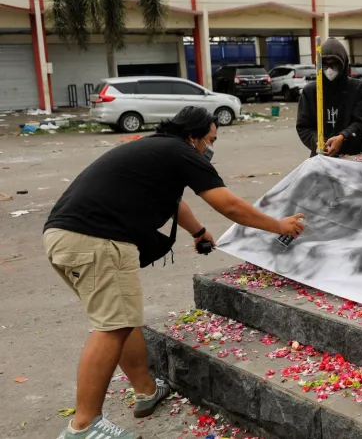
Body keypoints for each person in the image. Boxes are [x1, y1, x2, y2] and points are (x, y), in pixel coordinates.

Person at [44, 107, 306, 439]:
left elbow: (174, 202)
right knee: (113, 326)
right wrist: (278, 225)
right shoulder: (182, 151)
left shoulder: (158, 149)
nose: (211, 147)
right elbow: (229, 205)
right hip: (98, 240)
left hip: (65, 238)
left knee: (122, 319)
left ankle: (145, 390)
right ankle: (83, 426)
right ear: (193, 135)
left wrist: (198, 233)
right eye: (210, 139)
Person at [296, 38, 362, 157]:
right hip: (321, 157)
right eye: (325, 64)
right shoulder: (310, 92)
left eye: (335, 64)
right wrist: (317, 141)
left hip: (355, 157)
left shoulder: (359, 88)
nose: (330, 70)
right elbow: (303, 127)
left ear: (344, 64)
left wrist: (343, 137)